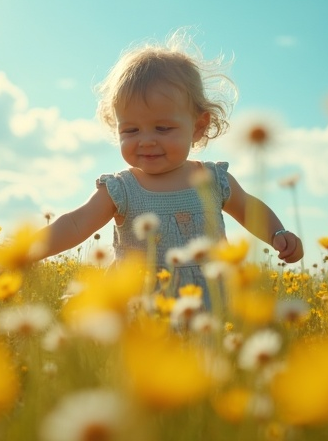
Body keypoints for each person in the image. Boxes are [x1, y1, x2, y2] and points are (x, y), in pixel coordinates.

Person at [37, 30, 303, 308]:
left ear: (198, 126)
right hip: (141, 308)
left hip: (210, 305)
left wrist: (278, 234)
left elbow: (250, 209)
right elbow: (76, 223)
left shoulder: (213, 180)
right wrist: (29, 250)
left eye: (163, 128)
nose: (147, 140)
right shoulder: (121, 189)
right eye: (131, 130)